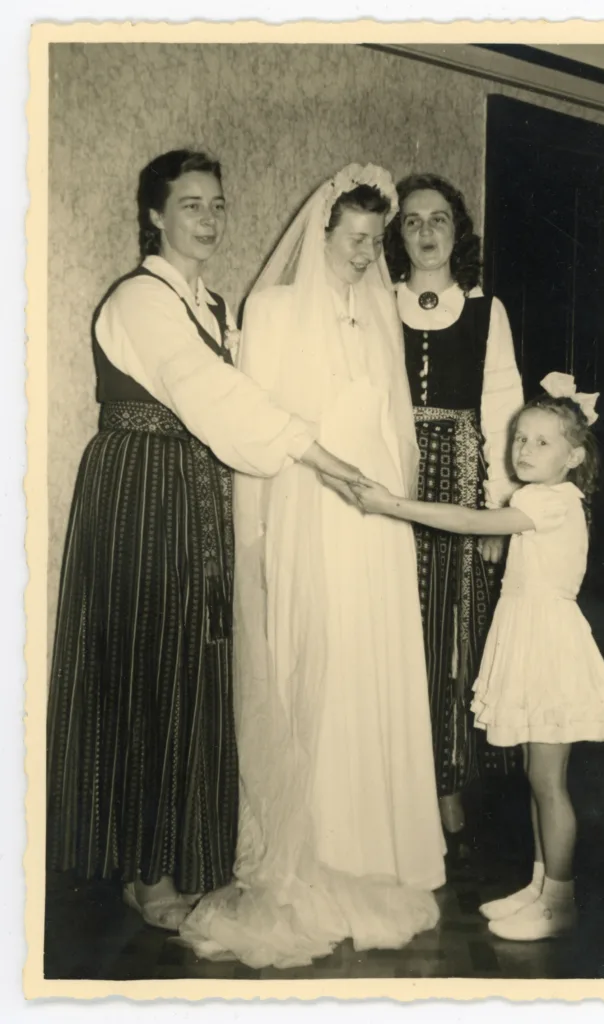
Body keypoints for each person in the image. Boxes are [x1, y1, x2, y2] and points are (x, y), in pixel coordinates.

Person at [46, 150, 362, 931]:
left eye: (218, 205)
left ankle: (187, 855)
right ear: (154, 215)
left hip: (197, 493)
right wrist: (313, 450)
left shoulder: (219, 307)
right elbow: (209, 390)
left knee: (195, 666)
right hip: (140, 489)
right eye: (192, 205)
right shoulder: (139, 300)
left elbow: (255, 390)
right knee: (146, 667)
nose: (210, 219)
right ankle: (144, 872)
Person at [178, 164, 446, 968]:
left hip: (374, 519)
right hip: (307, 510)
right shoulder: (274, 307)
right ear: (322, 230)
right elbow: (263, 429)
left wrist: (393, 504)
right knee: (317, 677)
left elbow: (394, 423)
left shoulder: (379, 311)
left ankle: (373, 853)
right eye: (356, 240)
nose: (368, 256)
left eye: (377, 242)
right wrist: (259, 539)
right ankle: (315, 858)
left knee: (372, 672)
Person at [352, 372, 604, 941]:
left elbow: (473, 522)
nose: (523, 450)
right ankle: (540, 885)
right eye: (519, 439)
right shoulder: (539, 497)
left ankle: (562, 900)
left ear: (574, 456)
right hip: (528, 638)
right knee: (536, 775)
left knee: (550, 782)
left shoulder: (553, 502)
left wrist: (390, 504)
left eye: (541, 442)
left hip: (550, 649)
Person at [385, 173, 524, 851]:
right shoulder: (377, 304)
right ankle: (395, 792)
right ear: (397, 235)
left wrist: (501, 508)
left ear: (457, 230)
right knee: (394, 632)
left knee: (451, 635)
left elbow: (503, 410)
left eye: (439, 219)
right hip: (395, 479)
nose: (427, 232)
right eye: (412, 221)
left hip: (462, 482)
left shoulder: (483, 309)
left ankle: (447, 793)